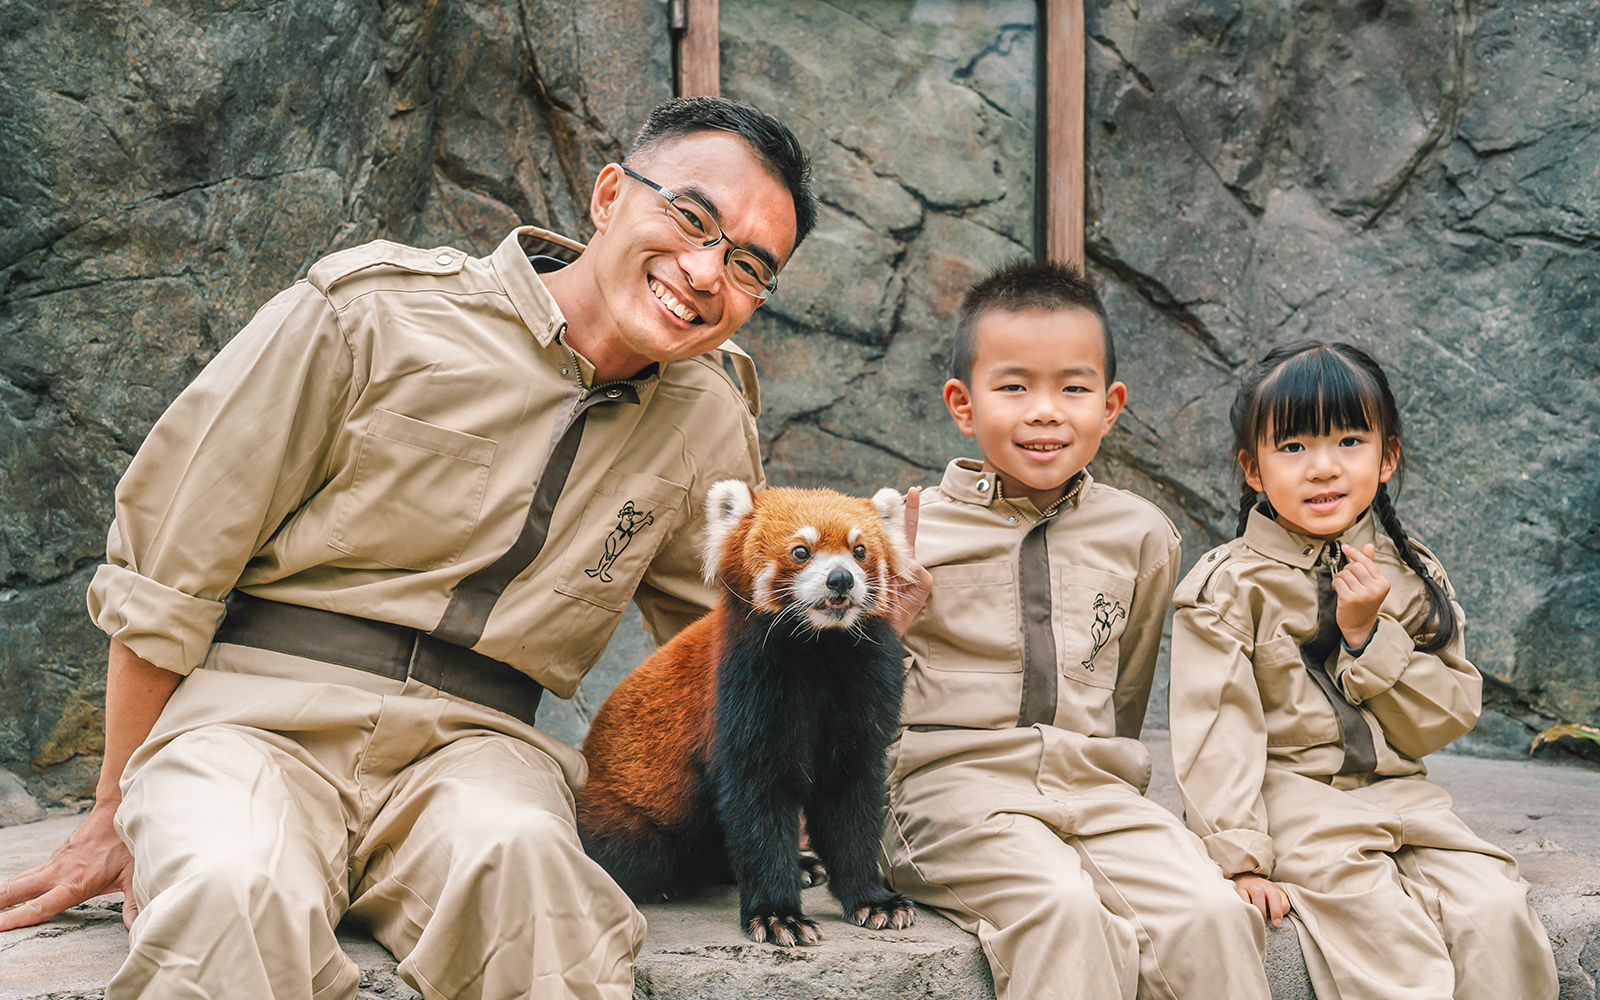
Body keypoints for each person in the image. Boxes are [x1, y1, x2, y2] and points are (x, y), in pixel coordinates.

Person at [0, 96, 823, 1000]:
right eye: (693, 219)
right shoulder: (373, 313)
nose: (706, 272)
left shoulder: (708, 419)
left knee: (541, 893)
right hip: (251, 725)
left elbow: (732, 639)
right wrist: (113, 810)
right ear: (608, 195)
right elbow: (169, 568)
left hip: (480, 753)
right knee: (229, 889)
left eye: (749, 266)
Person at [879, 260, 1272, 1000]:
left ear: (1111, 405)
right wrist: (882, 623)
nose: (1045, 412)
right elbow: (838, 698)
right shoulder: (904, 532)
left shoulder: (1142, 535)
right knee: (1063, 909)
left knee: (1212, 912)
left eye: (1073, 388)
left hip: (1097, 790)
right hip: (947, 795)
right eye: (1014, 386)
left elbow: (1127, 693)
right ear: (963, 404)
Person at [1168, 341, 1559, 1000]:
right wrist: (1240, 859)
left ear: (1387, 458)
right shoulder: (1228, 587)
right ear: (1253, 469)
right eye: (1293, 446)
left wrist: (1369, 636)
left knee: (1496, 912)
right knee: (1388, 940)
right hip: (1295, 805)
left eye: (1350, 441)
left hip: (1406, 799)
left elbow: (1443, 719)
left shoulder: (1411, 573)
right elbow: (1217, 732)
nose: (1323, 467)